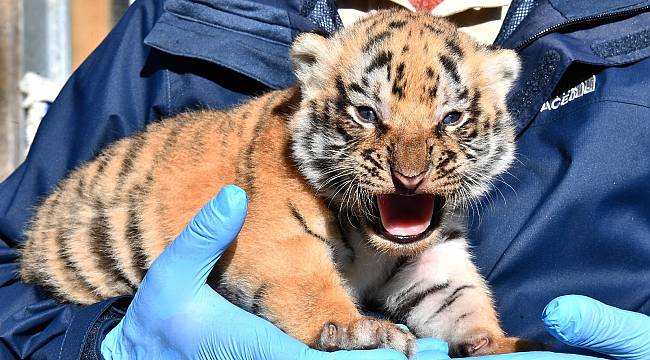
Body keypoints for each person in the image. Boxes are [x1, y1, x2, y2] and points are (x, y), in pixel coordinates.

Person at [0, 0, 648, 358]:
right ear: (310, 79)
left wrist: (486, 341)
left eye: (449, 122)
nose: (410, 167)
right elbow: (8, 278)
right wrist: (103, 348)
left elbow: (437, 272)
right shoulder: (181, 16)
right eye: (369, 116)